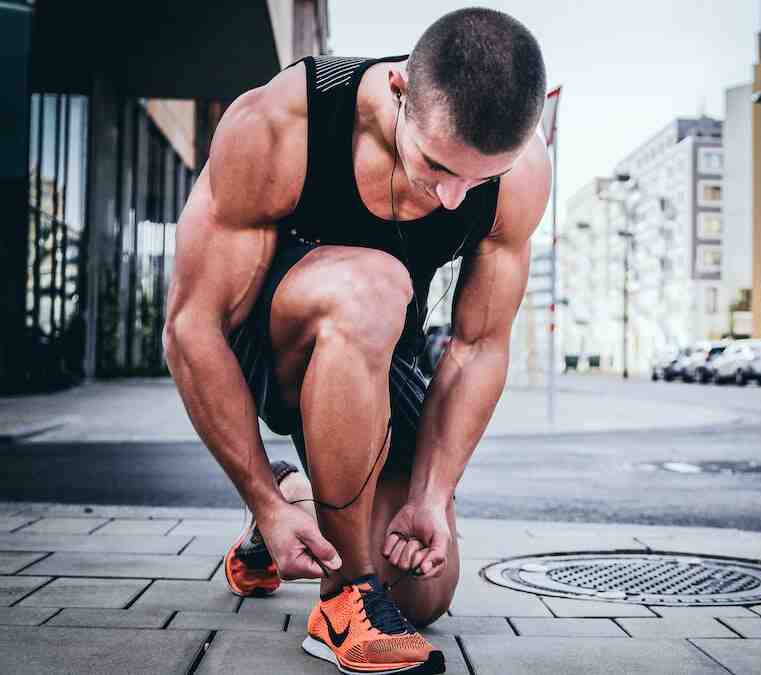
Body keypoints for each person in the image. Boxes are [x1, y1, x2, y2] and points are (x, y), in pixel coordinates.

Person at [163, 8, 550, 674]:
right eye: (437, 165)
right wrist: (256, 495)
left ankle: (299, 500)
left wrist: (432, 494)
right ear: (399, 92)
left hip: (378, 355)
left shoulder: (521, 171)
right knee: (373, 284)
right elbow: (191, 325)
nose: (454, 198)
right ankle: (344, 600)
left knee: (423, 591)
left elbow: (478, 345)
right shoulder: (285, 121)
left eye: (478, 180)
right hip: (268, 346)